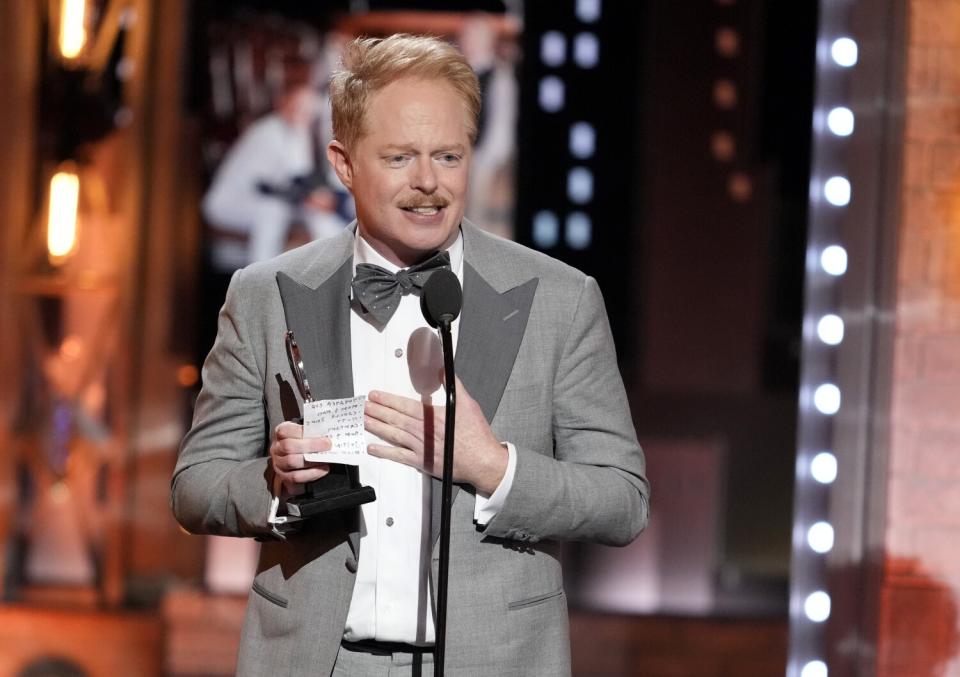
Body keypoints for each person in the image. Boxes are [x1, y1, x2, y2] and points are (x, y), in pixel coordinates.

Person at [172, 34, 649, 677]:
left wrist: (494, 467)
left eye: (448, 156)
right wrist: (277, 485)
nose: (429, 183)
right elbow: (196, 486)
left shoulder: (560, 300)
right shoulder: (266, 296)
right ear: (343, 163)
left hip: (492, 662)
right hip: (318, 660)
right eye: (399, 157)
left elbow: (622, 499)